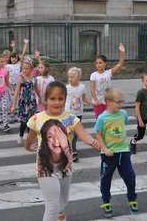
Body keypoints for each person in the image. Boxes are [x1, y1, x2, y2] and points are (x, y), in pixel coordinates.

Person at [25, 81, 100, 221]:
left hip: (66, 168)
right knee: (52, 205)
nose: (56, 102)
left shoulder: (70, 118)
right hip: (45, 169)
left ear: (65, 100)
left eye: (60, 98)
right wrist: (28, 146)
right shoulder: (37, 118)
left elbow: (83, 134)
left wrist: (94, 142)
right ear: (45, 100)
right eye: (52, 98)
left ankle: (61, 216)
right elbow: (30, 137)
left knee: (62, 202)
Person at [95, 88, 138, 218]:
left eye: (122, 102)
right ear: (108, 101)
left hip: (124, 152)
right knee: (106, 179)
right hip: (109, 154)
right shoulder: (102, 118)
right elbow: (99, 134)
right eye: (118, 102)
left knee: (130, 177)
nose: (121, 105)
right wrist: (104, 148)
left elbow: (123, 124)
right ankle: (106, 202)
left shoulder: (123, 114)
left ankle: (132, 199)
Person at [90, 43, 126, 119]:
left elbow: (120, 64)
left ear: (105, 63)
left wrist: (122, 52)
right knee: (100, 119)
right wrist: (96, 100)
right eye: (96, 63)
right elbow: (92, 89)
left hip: (108, 101)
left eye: (100, 63)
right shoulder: (93, 75)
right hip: (98, 102)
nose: (98, 65)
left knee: (108, 118)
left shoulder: (109, 73)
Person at [11, 58, 40, 144]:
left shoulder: (34, 78)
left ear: (31, 69)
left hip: (32, 103)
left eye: (27, 68)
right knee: (24, 121)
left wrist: (42, 99)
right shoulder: (21, 78)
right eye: (23, 68)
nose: (24, 70)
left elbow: (37, 89)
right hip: (23, 103)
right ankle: (20, 136)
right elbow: (16, 92)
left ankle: (29, 137)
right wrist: (13, 105)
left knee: (31, 121)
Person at [65, 67, 90, 162]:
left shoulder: (82, 87)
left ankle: (72, 149)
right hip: (68, 114)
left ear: (79, 77)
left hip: (79, 114)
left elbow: (83, 97)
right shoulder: (67, 88)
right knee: (69, 132)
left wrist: (89, 102)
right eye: (69, 77)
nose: (70, 79)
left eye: (72, 77)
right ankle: (71, 150)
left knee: (75, 134)